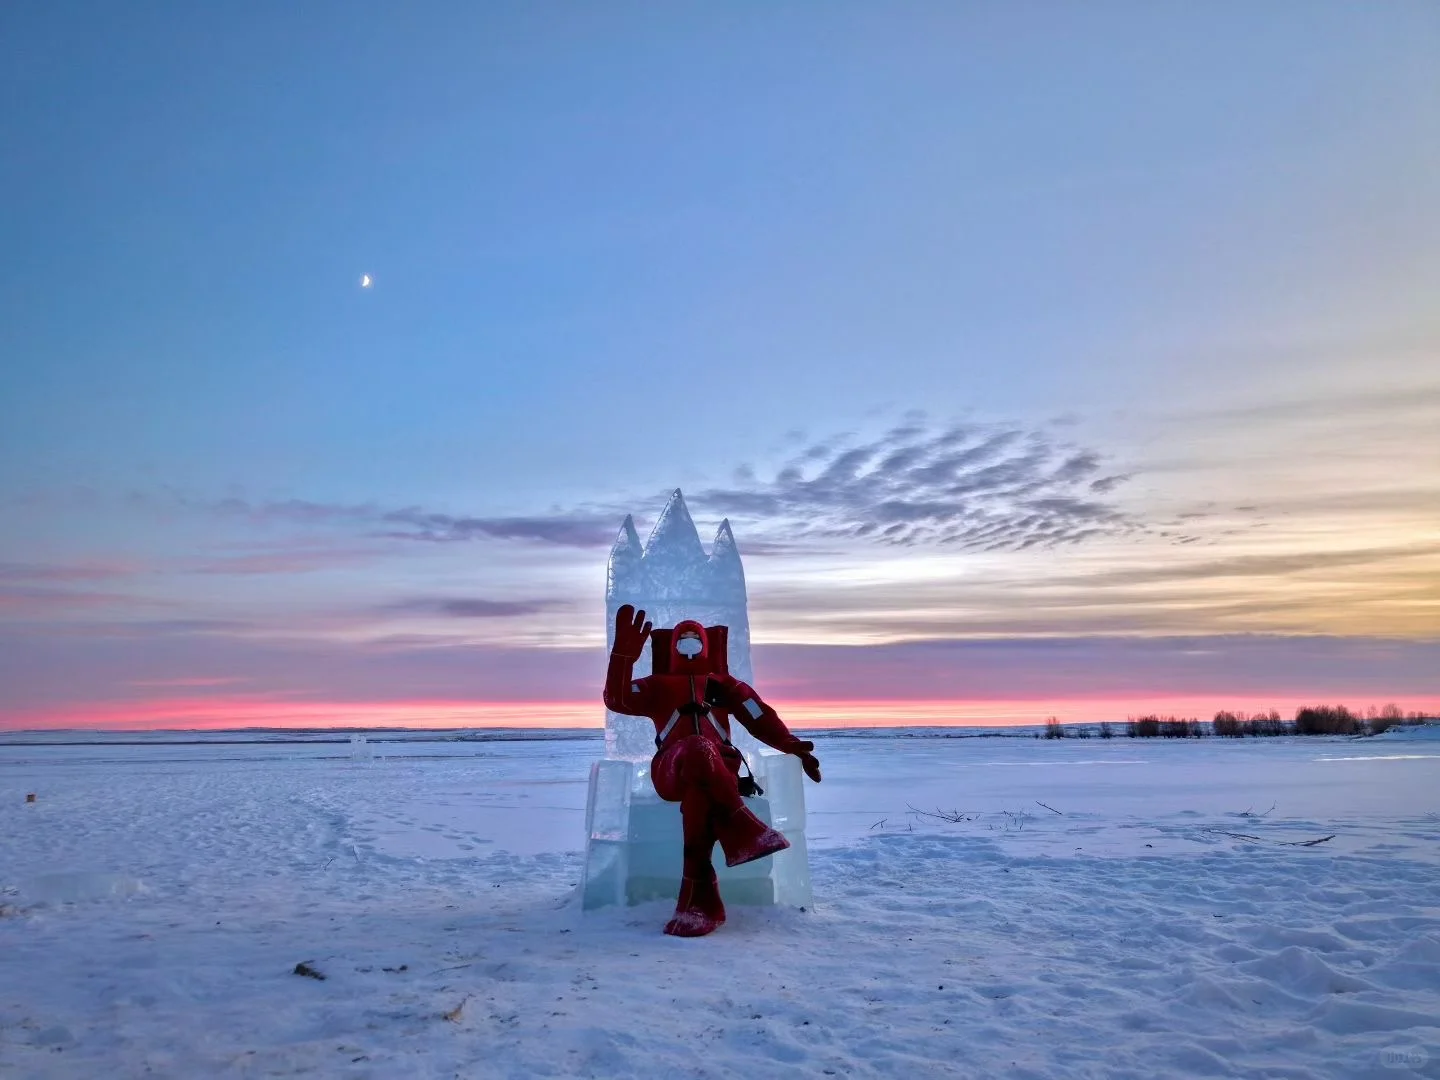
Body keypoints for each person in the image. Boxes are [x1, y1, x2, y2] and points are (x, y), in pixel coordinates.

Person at [603, 603, 823, 937]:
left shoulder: (726, 686)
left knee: (700, 801)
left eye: (695, 636)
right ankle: (742, 826)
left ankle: (698, 904)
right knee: (696, 747)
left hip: (721, 769)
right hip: (671, 768)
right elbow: (617, 699)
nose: (689, 641)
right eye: (683, 636)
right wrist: (623, 658)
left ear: (706, 643)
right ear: (673, 643)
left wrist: (791, 745)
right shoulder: (657, 685)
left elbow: (758, 716)